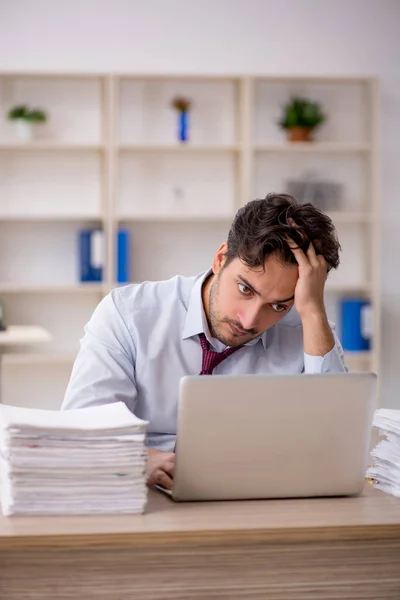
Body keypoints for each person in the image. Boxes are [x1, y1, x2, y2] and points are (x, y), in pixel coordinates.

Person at [62, 193, 347, 490]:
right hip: (140, 494)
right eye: (245, 289)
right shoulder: (128, 314)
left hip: (255, 498)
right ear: (221, 258)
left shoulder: (307, 328)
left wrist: (314, 312)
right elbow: (81, 428)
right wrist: (136, 459)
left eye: (277, 306)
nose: (249, 321)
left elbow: (337, 445)